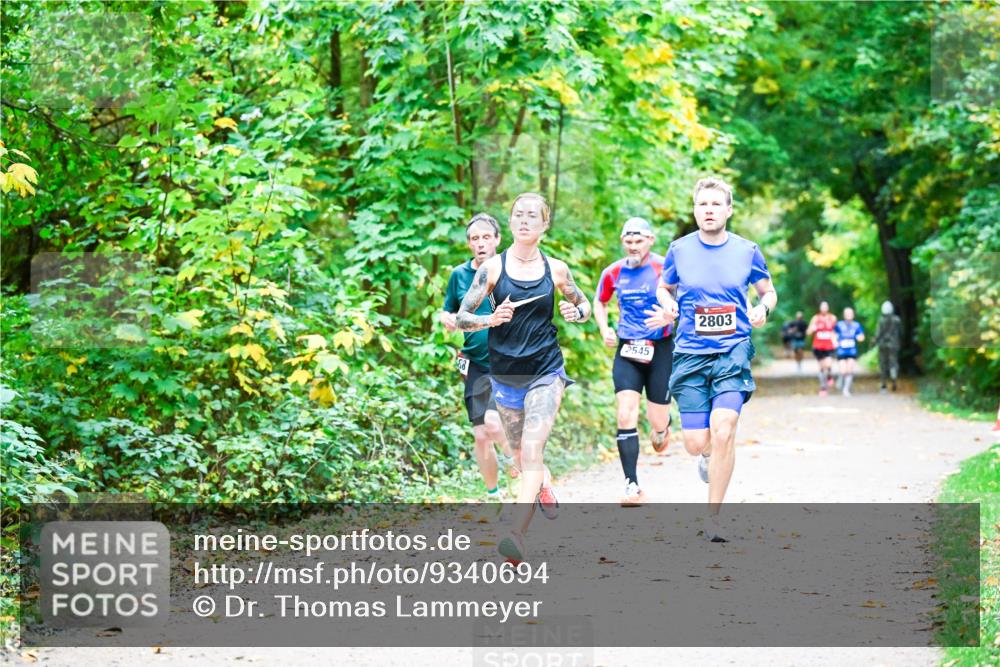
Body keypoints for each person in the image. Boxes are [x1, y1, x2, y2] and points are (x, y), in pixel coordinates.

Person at [456, 192, 591, 561]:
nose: (524, 220)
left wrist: (576, 312)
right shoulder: (493, 270)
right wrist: (490, 319)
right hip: (505, 376)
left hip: (546, 371)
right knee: (519, 455)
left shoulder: (557, 269)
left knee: (531, 449)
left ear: (545, 224)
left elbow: (584, 305)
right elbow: (462, 318)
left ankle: (516, 533)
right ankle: (542, 483)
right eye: (518, 214)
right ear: (511, 222)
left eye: (533, 215)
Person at [644, 177, 776, 542]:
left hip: (732, 349)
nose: (709, 210)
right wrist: (668, 304)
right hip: (689, 353)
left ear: (729, 210)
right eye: (703, 204)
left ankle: (713, 517)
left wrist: (762, 307)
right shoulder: (679, 250)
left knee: (724, 428)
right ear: (695, 209)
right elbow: (664, 287)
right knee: (696, 442)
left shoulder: (748, 250)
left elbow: (768, 290)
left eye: (716, 204)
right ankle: (707, 456)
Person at [593, 217, 673, 507]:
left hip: (661, 347)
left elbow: (687, 299)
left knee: (657, 424)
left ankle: (664, 426)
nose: (633, 247)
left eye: (639, 241)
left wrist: (670, 315)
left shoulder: (665, 267)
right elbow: (599, 301)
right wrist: (605, 329)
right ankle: (632, 485)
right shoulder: (613, 272)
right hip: (628, 348)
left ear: (650, 241)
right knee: (625, 414)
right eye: (628, 242)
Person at [441, 213, 515, 505]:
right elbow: (448, 310)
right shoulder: (459, 275)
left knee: (494, 425)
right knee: (481, 435)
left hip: (506, 362)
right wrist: (446, 318)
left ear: (497, 239)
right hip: (473, 362)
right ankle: (494, 496)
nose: (481, 243)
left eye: (487, 237)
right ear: (469, 243)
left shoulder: (509, 272)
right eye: (475, 238)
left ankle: (513, 459)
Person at [807, 301, 838, 395]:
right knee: (821, 367)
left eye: (825, 307)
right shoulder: (815, 318)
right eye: (822, 307)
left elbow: (836, 331)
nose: (824, 308)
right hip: (818, 346)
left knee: (828, 364)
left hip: (828, 346)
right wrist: (812, 329)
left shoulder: (832, 318)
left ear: (828, 308)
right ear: (820, 308)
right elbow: (808, 332)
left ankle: (829, 375)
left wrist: (836, 340)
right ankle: (823, 388)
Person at [833, 307, 865, 396]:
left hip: (852, 351)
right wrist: (835, 341)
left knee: (849, 370)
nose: (849, 315)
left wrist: (860, 338)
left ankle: (846, 389)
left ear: (853, 315)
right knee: (843, 370)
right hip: (841, 350)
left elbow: (861, 336)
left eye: (850, 313)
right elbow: (834, 334)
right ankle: (840, 378)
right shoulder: (839, 325)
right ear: (844, 315)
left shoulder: (856, 325)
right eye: (847, 314)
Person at [875, 300, 902, 393]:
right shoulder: (897, 320)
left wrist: (874, 341)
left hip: (883, 345)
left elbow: (878, 334)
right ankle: (894, 377)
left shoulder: (881, 320)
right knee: (893, 363)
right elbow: (900, 332)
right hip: (894, 344)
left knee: (883, 364)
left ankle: (884, 385)